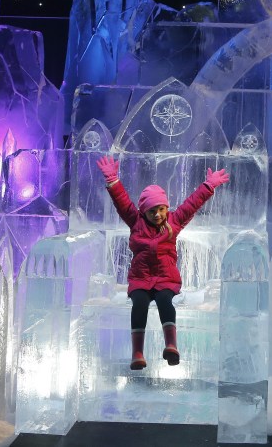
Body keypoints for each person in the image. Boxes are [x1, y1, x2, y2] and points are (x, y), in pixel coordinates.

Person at [96, 155, 230, 370]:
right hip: (140, 279)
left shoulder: (173, 221)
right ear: (143, 212)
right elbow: (121, 201)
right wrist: (112, 179)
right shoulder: (135, 221)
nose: (157, 214)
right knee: (139, 304)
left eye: (161, 209)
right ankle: (137, 352)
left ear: (167, 208)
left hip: (165, 279)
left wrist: (208, 185)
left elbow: (192, 204)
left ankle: (171, 346)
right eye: (152, 211)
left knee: (164, 303)